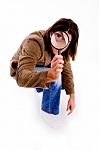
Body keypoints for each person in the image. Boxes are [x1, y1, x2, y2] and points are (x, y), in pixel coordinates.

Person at [10, 18, 79, 115]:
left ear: (69, 44)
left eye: (65, 40)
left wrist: (72, 95)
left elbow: (67, 70)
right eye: (58, 35)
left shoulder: (63, 50)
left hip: (42, 64)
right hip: (21, 69)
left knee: (60, 76)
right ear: (51, 34)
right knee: (56, 79)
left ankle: (40, 87)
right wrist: (50, 76)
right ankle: (48, 112)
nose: (60, 42)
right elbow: (21, 77)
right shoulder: (33, 42)